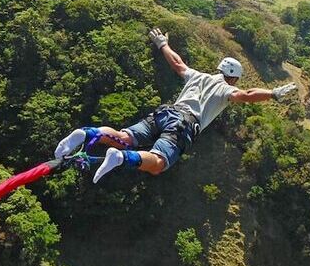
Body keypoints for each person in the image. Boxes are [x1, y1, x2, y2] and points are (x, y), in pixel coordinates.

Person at [55, 28, 297, 182]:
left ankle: (86, 133)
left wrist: (162, 44)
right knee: (158, 163)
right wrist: (273, 94)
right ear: (233, 77)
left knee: (125, 136)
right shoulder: (227, 89)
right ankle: (120, 158)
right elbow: (246, 94)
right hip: (183, 125)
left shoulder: (198, 75)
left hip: (165, 112)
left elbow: (178, 63)